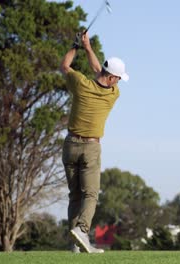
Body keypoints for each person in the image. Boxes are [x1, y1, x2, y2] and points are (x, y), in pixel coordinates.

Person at [60, 31, 128, 253]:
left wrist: (77, 46)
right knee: (91, 194)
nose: (119, 81)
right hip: (90, 147)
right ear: (113, 79)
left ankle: (75, 245)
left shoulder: (81, 84)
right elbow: (100, 72)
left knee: (75, 195)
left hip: (69, 145)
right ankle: (82, 230)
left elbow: (65, 65)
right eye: (118, 77)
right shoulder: (113, 94)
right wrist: (87, 48)